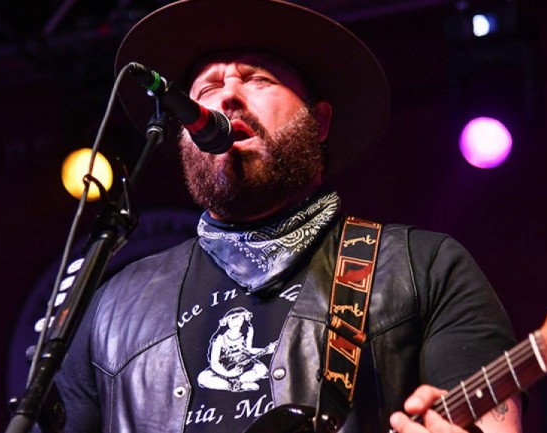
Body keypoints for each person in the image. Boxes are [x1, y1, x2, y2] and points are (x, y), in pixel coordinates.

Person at [50, 1, 523, 432]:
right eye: (208, 87)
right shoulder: (110, 307)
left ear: (318, 122)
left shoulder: (421, 268)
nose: (228, 97)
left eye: (257, 79)